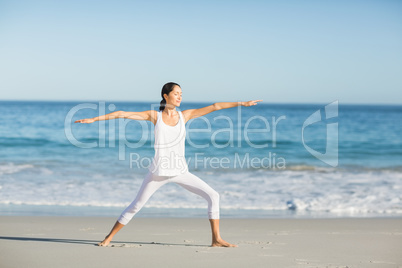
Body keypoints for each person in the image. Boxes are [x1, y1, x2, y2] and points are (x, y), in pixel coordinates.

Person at [75, 82, 262, 247]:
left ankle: (216, 239)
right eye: (176, 93)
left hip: (180, 171)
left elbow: (215, 106)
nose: (180, 96)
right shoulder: (154, 116)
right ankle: (108, 238)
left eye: (181, 94)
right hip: (158, 172)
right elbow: (122, 114)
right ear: (166, 96)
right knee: (136, 206)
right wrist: (94, 119)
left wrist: (242, 103)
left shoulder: (185, 116)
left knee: (213, 195)